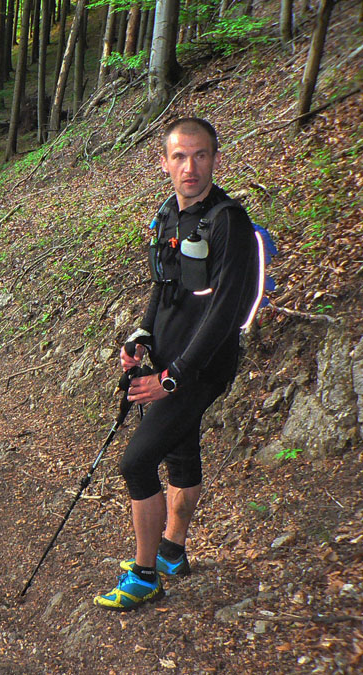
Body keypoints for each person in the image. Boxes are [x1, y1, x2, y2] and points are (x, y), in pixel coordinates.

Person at [93, 118, 261, 611]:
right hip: (169, 359)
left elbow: (225, 312)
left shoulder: (229, 222)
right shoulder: (169, 214)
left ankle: (145, 576)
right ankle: (171, 552)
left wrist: (172, 378)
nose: (191, 167)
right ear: (165, 162)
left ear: (215, 159)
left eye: (201, 155)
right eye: (180, 157)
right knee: (180, 453)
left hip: (200, 368)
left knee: (137, 462)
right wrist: (142, 335)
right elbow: (164, 288)